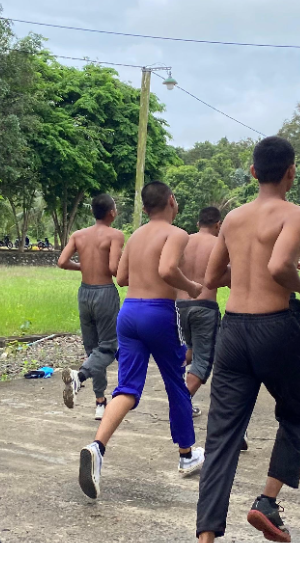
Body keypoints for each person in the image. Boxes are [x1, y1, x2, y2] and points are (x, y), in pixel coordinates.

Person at [195, 137, 300, 543]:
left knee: (222, 436)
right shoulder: (295, 214)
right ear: (291, 172)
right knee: (295, 412)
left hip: (233, 330)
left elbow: (212, 279)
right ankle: (267, 502)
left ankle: (205, 539)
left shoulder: (231, 219)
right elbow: (281, 264)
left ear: (252, 173)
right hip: (274, 327)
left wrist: (250, 274)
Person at [77, 181, 205, 501]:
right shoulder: (176, 234)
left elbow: (121, 278)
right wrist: (189, 286)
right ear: (172, 201)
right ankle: (186, 454)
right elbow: (167, 268)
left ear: (145, 209)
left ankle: (98, 447)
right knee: (175, 383)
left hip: (129, 314)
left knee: (127, 388)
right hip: (159, 313)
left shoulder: (134, 237)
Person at [57, 192, 125, 420]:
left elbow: (62, 261)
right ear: (112, 213)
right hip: (105, 292)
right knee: (108, 347)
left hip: (84, 293)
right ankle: (80, 377)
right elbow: (115, 269)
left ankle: (100, 402)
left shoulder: (78, 235)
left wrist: (84, 267)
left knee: (93, 349)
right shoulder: (115, 235)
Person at [177, 206, 224, 401]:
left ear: (198, 224)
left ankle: (176, 388)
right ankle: (181, 403)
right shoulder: (219, 245)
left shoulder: (183, 241)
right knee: (202, 361)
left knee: (189, 349)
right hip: (205, 307)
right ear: (218, 225)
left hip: (179, 307)